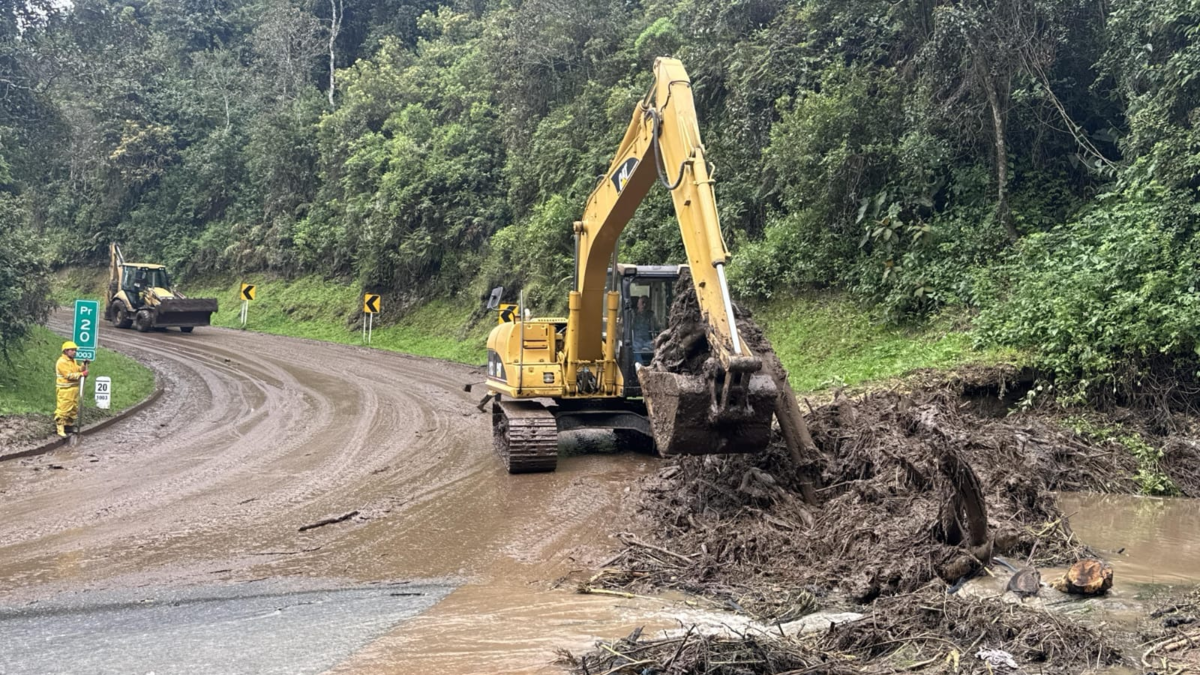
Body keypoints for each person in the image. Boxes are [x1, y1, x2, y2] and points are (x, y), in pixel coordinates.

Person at [54, 341, 88, 437]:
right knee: (64, 408)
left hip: (73, 388)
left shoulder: (72, 361)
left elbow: (77, 369)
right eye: (72, 350)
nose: (74, 352)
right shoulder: (62, 362)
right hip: (65, 389)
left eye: (75, 350)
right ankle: (60, 428)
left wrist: (84, 365)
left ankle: (68, 426)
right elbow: (68, 375)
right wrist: (82, 374)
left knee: (73, 409)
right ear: (66, 351)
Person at [631, 296, 660, 365]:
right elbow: (629, 326)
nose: (637, 306)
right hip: (636, 341)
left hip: (647, 341)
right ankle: (640, 365)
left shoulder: (651, 315)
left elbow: (657, 327)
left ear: (644, 305)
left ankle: (654, 365)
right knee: (633, 348)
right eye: (638, 304)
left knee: (657, 347)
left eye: (639, 304)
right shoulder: (633, 314)